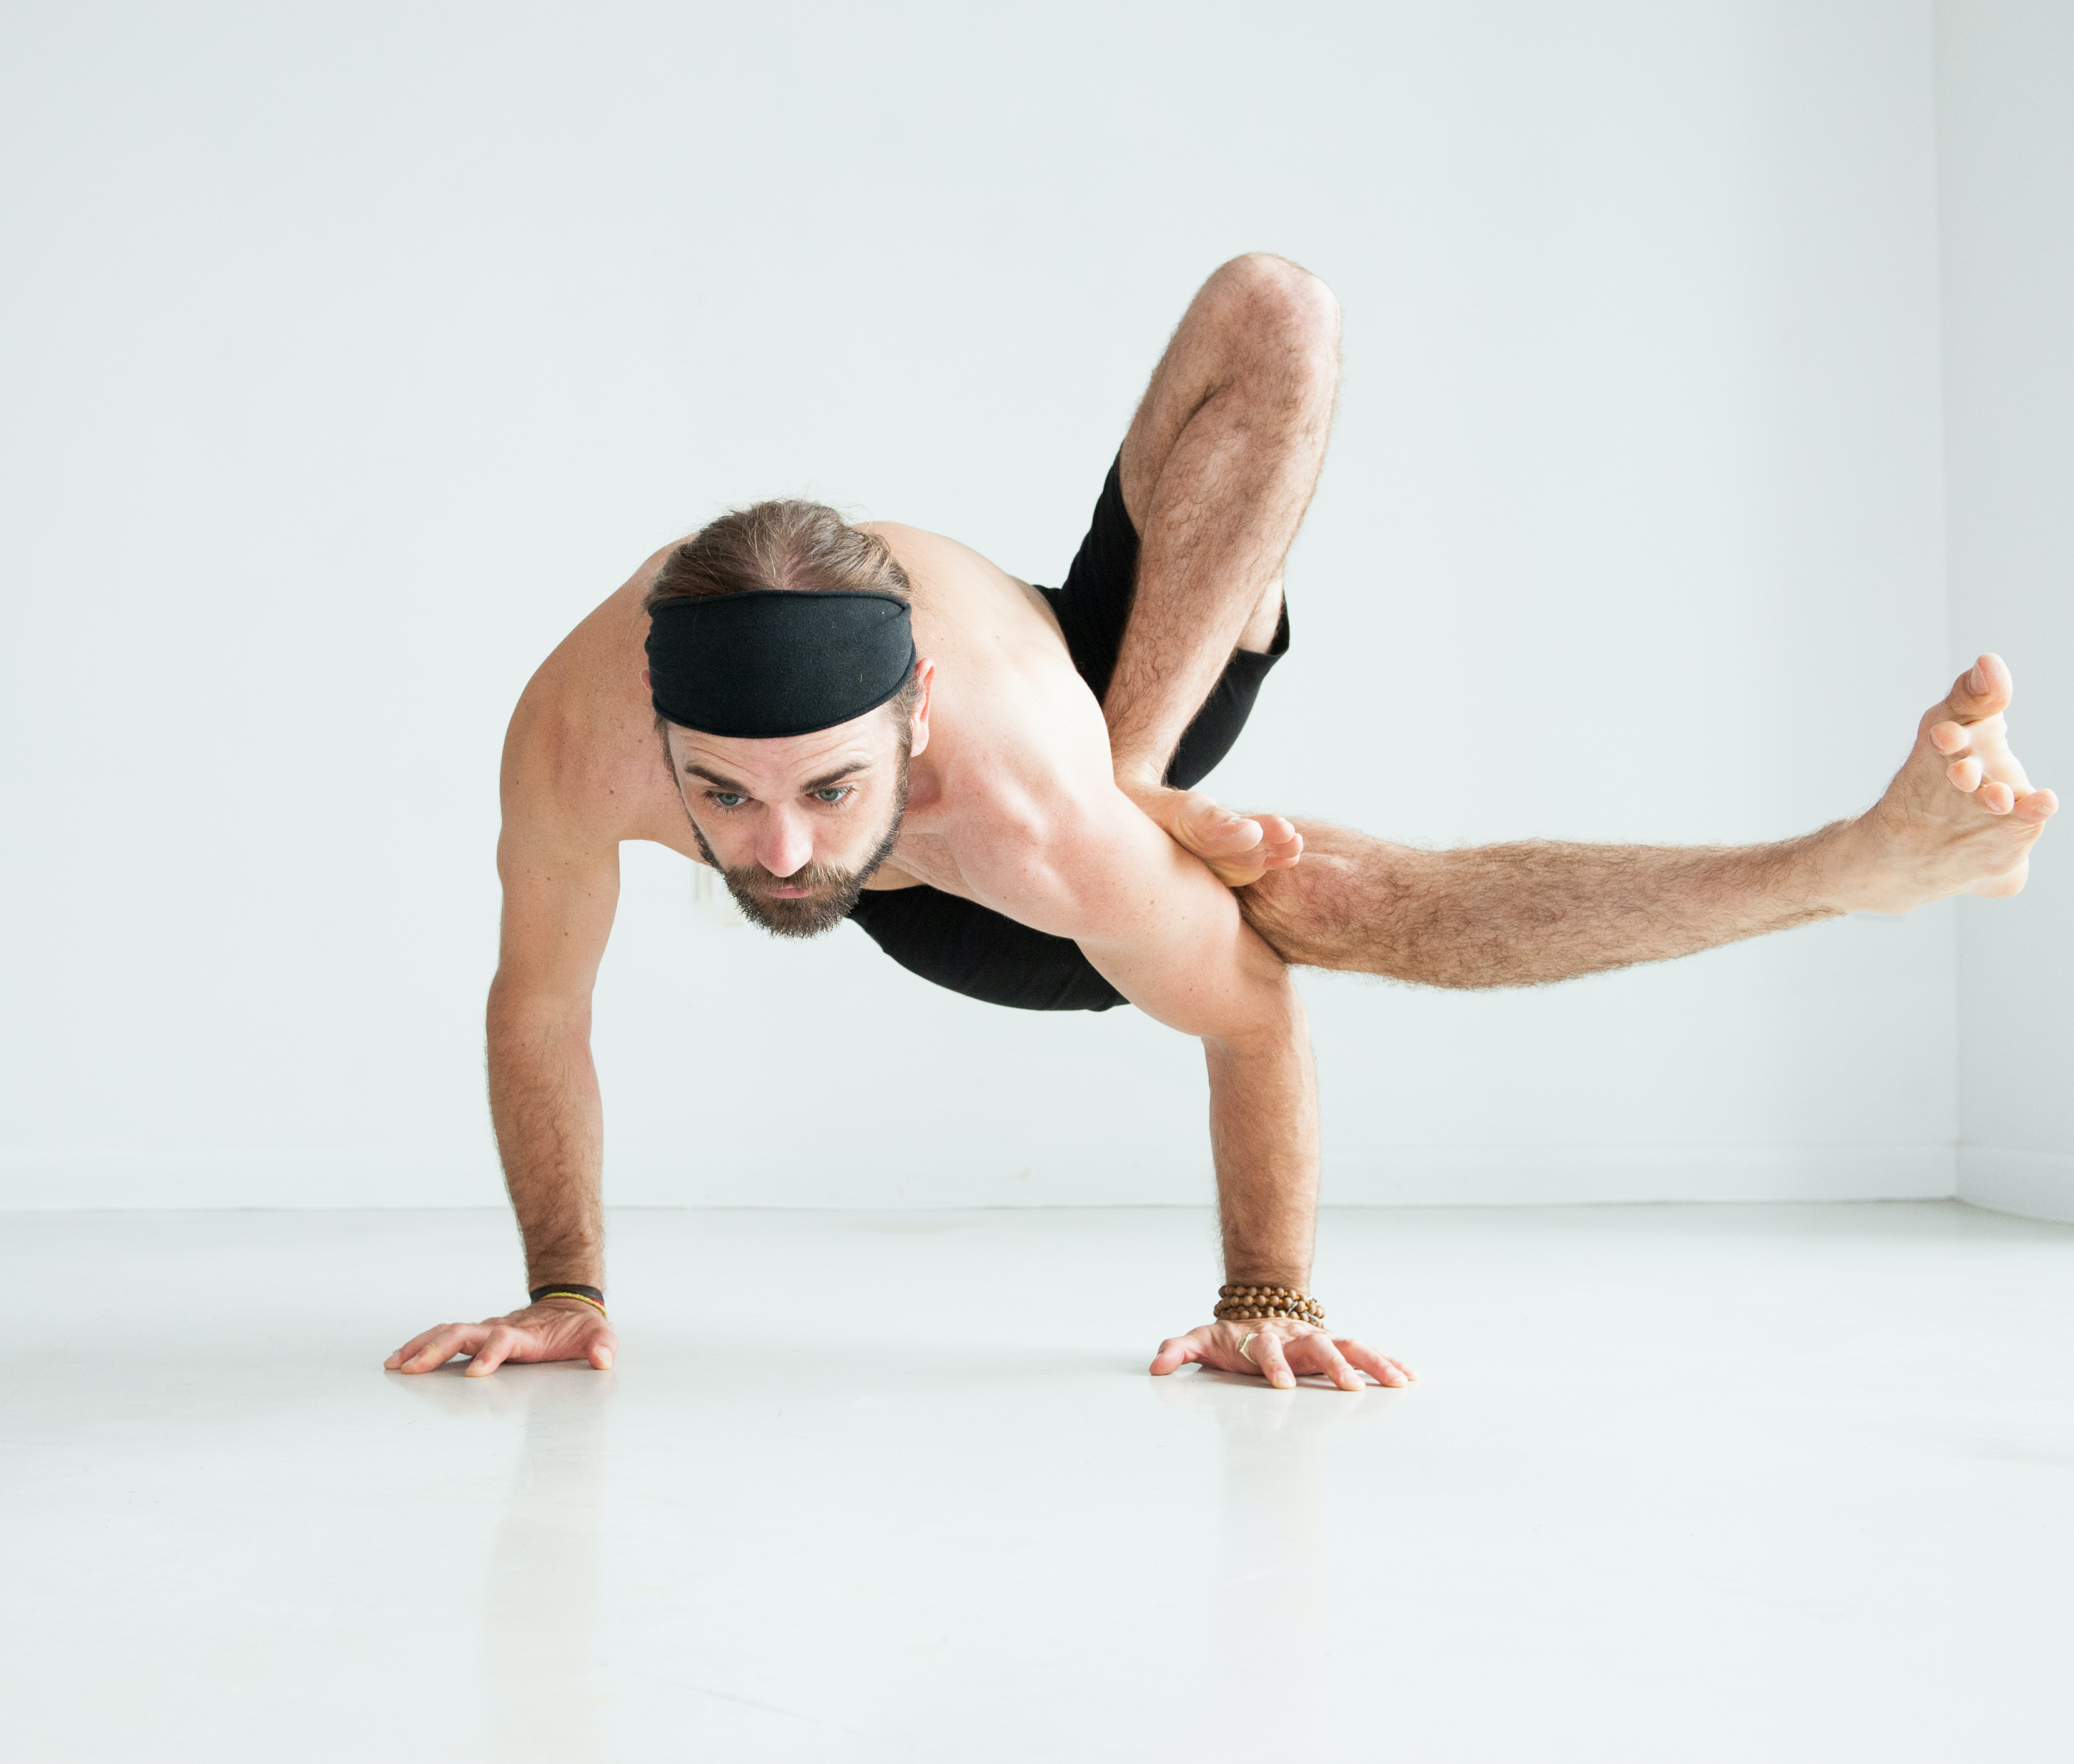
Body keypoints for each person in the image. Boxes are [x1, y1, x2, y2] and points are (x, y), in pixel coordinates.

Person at [386, 255, 2056, 1391]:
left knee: (1293, 894)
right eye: (718, 797)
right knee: (1203, 863)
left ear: (906, 726)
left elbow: (1253, 1015)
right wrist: (565, 1295)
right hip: (1013, 714)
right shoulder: (572, 739)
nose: (773, 858)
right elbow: (540, 1004)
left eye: (824, 792)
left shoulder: (1015, 809)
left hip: (1054, 762)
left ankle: (1847, 867)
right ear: (656, 734)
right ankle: (1844, 864)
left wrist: (1265, 1293)